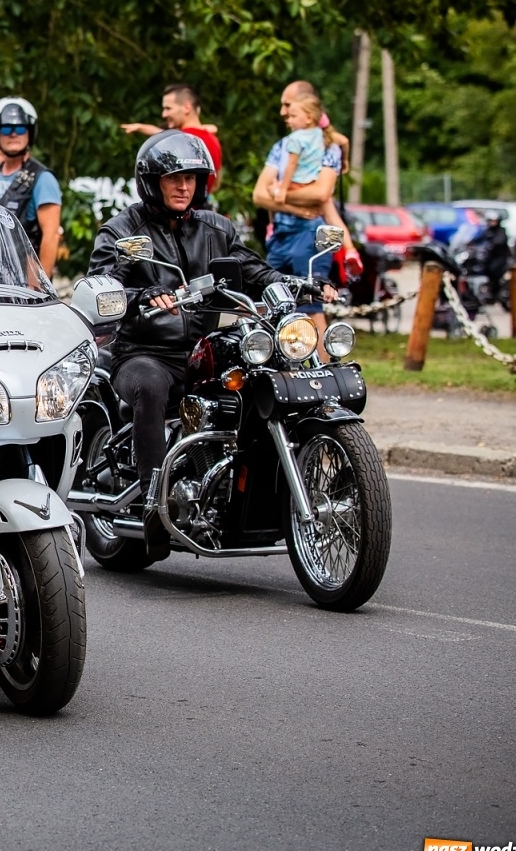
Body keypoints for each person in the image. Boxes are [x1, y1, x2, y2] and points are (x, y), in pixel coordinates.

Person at [90, 130, 337, 560]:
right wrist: (140, 296)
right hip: (147, 352)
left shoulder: (217, 228)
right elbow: (101, 285)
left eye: (191, 177)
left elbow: (254, 271)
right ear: (152, 182)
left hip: (211, 347)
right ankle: (152, 500)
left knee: (266, 380)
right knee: (149, 385)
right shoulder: (123, 230)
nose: (184, 186)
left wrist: (299, 283)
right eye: (173, 178)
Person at [252, 86, 358, 350]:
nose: (283, 113)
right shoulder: (283, 145)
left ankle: (321, 369)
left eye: (288, 106)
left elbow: (322, 193)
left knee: (311, 306)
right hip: (280, 235)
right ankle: (280, 368)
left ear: (308, 111)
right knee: (271, 303)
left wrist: (281, 193)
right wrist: (296, 203)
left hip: (309, 234)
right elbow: (259, 195)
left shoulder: (327, 145)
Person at [0, 97, 63, 276]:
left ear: (30, 132)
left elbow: (51, 236)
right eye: (6, 128)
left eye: (20, 128)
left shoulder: (42, 178)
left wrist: (40, 288)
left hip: (24, 282)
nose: (13, 134)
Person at [120, 83, 223, 194]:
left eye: (168, 108)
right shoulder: (213, 140)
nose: (164, 114)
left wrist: (140, 127)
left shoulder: (182, 140)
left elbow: (162, 134)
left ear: (186, 107)